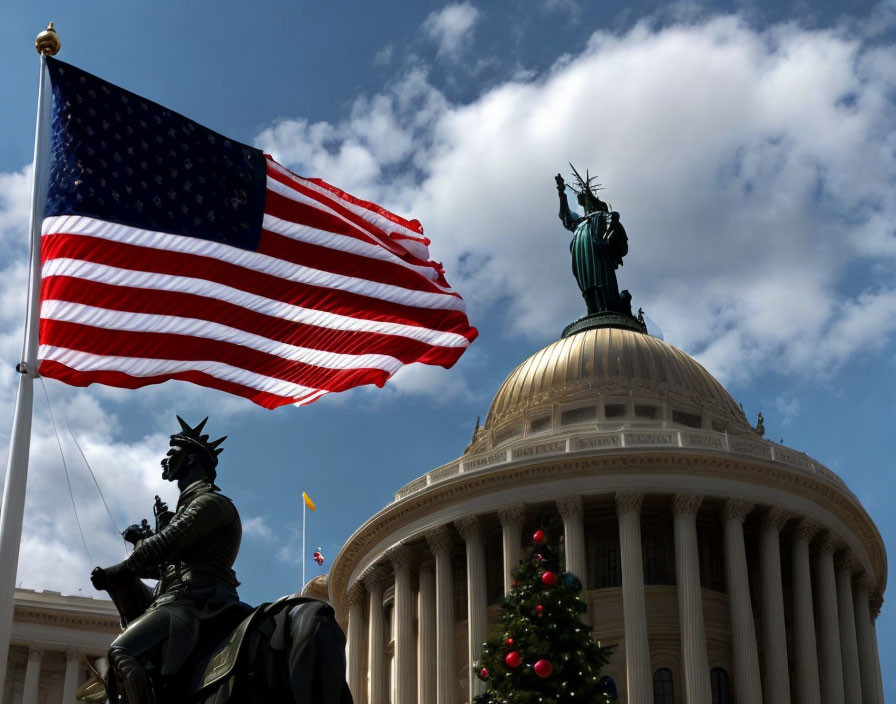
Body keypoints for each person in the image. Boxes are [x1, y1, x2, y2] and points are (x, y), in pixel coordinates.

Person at [91, 417, 249, 704]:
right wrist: (148, 535)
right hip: (181, 598)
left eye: (171, 456)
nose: (165, 462)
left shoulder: (211, 503)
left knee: (121, 651)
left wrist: (124, 561)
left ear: (189, 460)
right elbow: (161, 567)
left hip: (197, 601)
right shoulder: (192, 506)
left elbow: (159, 549)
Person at [555, 169, 628, 315]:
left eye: (585, 198)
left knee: (601, 278)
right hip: (582, 252)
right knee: (586, 280)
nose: (582, 201)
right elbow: (565, 216)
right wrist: (562, 194)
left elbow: (617, 236)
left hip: (597, 251)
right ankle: (593, 308)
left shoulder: (601, 216)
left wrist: (612, 224)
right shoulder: (579, 222)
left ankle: (608, 307)